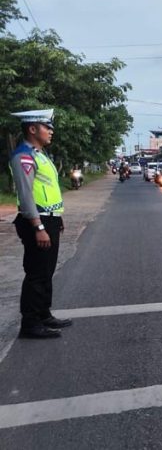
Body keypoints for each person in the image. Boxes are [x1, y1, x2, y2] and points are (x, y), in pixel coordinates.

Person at [9, 109, 72, 339]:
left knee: (46, 271)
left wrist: (57, 217)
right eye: (47, 127)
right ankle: (30, 323)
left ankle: (44, 314)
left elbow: (47, 190)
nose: (51, 132)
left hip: (49, 218)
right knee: (36, 273)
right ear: (33, 129)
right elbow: (26, 196)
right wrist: (39, 227)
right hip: (37, 221)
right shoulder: (24, 156)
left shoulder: (40, 154)